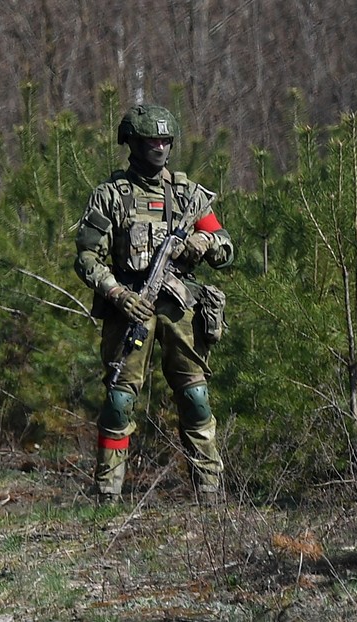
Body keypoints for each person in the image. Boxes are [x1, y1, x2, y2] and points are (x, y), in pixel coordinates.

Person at [74, 103, 234, 504]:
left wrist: (206, 241)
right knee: (119, 400)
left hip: (180, 307)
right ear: (132, 143)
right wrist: (118, 294)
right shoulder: (111, 197)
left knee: (196, 398)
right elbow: (87, 258)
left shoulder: (188, 195)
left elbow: (226, 248)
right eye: (151, 141)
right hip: (130, 308)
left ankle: (210, 492)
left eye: (165, 140)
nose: (159, 147)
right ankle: (108, 494)